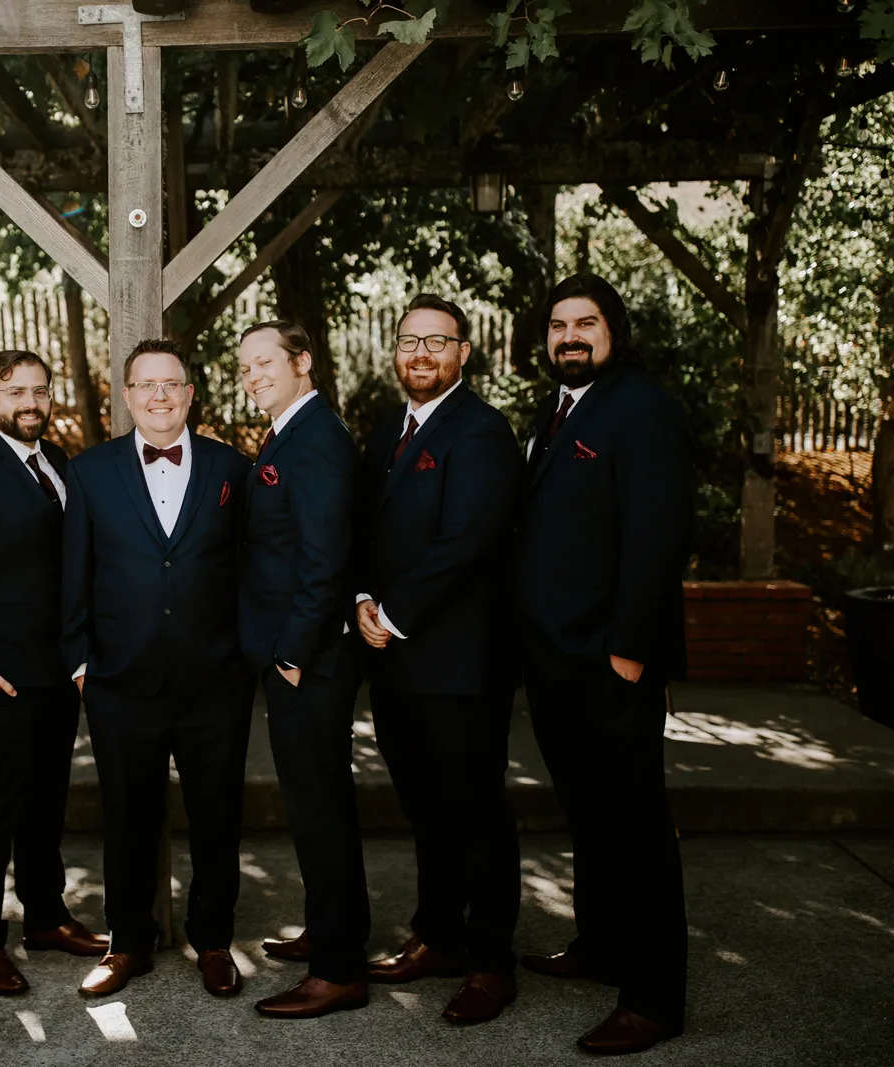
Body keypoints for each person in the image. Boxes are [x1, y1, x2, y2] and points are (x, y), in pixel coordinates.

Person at [516, 274, 691, 1056]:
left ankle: (653, 997)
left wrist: (629, 651)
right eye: (559, 326)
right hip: (554, 661)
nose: (571, 337)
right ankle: (600, 944)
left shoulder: (640, 407)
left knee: (636, 828)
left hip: (608, 660)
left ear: (614, 330)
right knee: (590, 819)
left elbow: (658, 536)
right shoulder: (556, 413)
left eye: (585, 323)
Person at [61, 339, 255, 999]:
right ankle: (128, 942)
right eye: (146, 384)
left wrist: (246, 658)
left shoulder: (234, 468)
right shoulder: (90, 472)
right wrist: (81, 665)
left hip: (215, 682)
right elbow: (74, 575)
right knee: (127, 818)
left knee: (216, 816)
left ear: (190, 394)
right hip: (120, 682)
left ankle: (216, 940)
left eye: (171, 383)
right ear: (126, 394)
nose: (160, 396)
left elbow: (250, 570)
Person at [352, 295, 524, 1025]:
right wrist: (361, 593)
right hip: (395, 664)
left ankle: (490, 963)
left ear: (463, 352)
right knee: (428, 811)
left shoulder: (482, 432)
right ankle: (438, 935)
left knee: (476, 813)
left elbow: (467, 539)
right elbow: (367, 519)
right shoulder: (390, 426)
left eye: (437, 342)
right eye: (409, 341)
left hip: (458, 665)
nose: (420, 355)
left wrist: (390, 614)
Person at [0, 351, 110, 996]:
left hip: (57, 673)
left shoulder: (59, 464)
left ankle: (46, 916)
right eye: (15, 392)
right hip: (0, 677)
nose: (29, 402)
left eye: (39, 390)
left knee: (45, 803)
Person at [233, 322, 370, 1020]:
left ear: (302, 362)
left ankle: (339, 970)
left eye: (265, 362)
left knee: (321, 811)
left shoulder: (316, 437)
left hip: (308, 662)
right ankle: (329, 931)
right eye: (245, 366)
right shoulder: (294, 430)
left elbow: (325, 559)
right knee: (314, 807)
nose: (253, 375)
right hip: (298, 657)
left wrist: (290, 654)